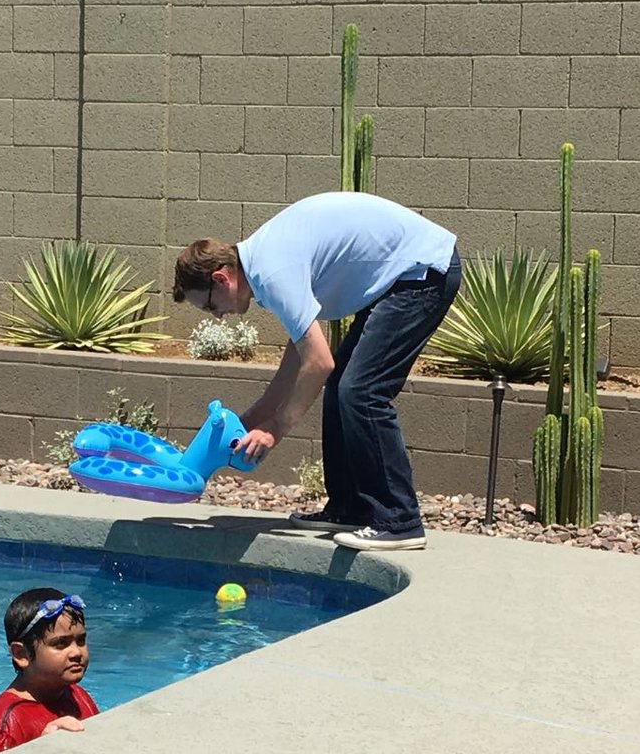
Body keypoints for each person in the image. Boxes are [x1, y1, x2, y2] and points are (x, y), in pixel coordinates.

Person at [172, 191, 461, 551]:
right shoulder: (262, 264)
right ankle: (349, 508)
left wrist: (275, 428)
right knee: (342, 387)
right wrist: (256, 416)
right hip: (402, 277)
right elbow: (300, 353)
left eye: (209, 306)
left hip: (423, 272)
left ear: (221, 278)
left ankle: (400, 520)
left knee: (361, 390)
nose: (217, 316)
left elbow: (319, 362)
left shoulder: (271, 271)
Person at [0, 588, 99, 754]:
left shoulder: (77, 695)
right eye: (60, 644)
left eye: (81, 640)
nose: (77, 653)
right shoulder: (5, 727)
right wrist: (39, 752)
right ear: (21, 654)